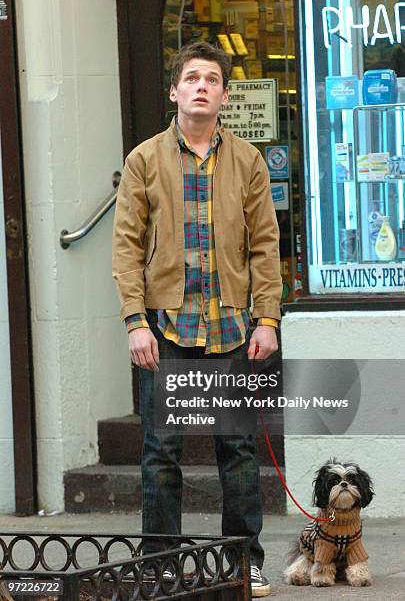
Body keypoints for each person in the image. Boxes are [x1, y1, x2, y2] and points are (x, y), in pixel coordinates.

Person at [112, 40, 282, 597]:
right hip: (166, 330)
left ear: (225, 96)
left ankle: (243, 562)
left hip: (233, 328)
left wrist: (268, 319)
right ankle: (160, 563)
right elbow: (127, 247)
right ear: (174, 91)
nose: (202, 85)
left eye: (212, 78)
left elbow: (263, 245)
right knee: (161, 451)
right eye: (192, 78)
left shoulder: (248, 160)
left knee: (237, 450)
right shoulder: (144, 159)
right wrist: (135, 321)